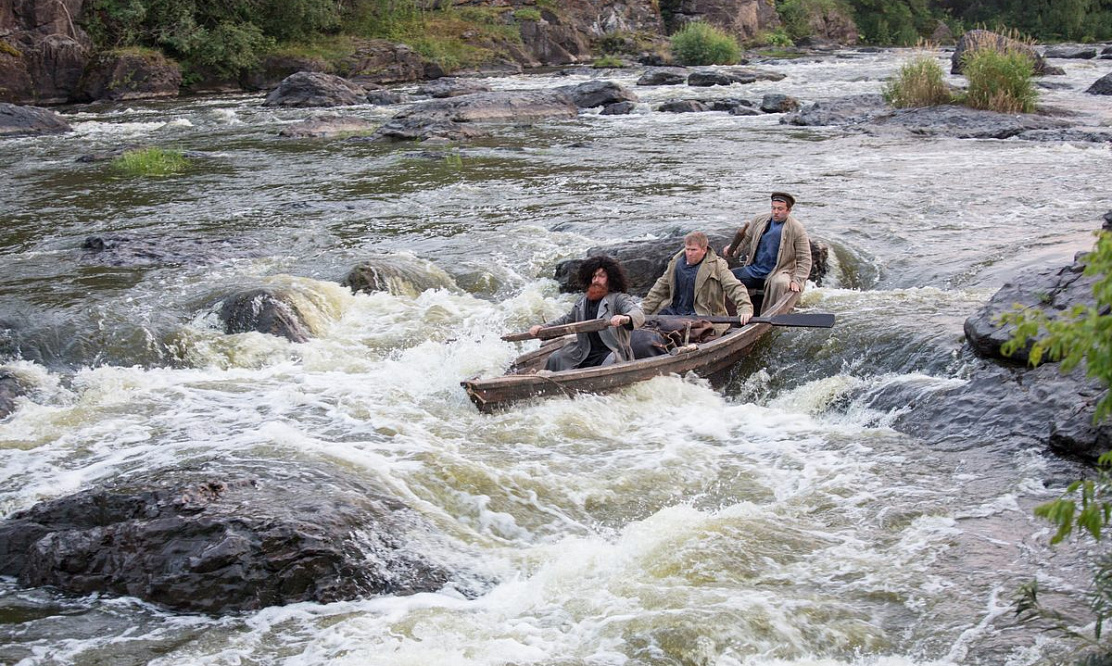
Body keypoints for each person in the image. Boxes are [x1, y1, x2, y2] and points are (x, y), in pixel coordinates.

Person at [529, 255, 645, 372]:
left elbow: (638, 313)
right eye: (594, 276)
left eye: (601, 276)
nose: (596, 280)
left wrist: (625, 317)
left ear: (611, 279)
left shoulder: (619, 299)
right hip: (583, 352)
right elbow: (566, 320)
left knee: (610, 362)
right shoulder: (582, 301)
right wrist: (543, 328)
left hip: (611, 352)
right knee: (556, 357)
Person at [641, 231, 753, 333]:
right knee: (651, 327)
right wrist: (641, 311)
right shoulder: (675, 264)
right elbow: (658, 290)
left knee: (691, 332)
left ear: (704, 250)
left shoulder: (718, 266)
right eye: (687, 249)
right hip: (674, 313)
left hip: (703, 316)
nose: (689, 253)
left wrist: (745, 308)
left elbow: (735, 287)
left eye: (693, 250)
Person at [722, 191, 812, 312]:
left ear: (788, 210)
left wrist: (798, 280)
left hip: (779, 272)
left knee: (780, 283)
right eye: (773, 208)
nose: (776, 212)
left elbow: (805, 259)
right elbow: (746, 238)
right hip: (754, 271)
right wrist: (734, 250)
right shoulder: (759, 220)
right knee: (725, 278)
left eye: (780, 209)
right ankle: (728, 312)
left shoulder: (797, 228)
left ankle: (770, 315)